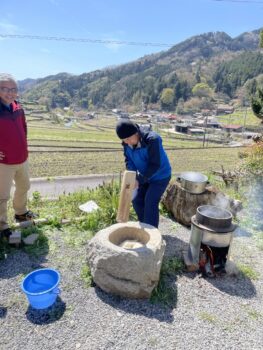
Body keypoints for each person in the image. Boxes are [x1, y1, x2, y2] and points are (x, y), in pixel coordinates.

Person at [0, 73, 36, 240]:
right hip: (4, 162)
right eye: (5, 89)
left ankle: (20, 213)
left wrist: (24, 148)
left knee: (24, 186)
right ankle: (2, 225)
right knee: (2, 196)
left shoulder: (18, 108)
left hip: (22, 158)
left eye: (13, 89)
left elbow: (24, 129)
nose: (10, 93)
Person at [116, 119, 171, 228]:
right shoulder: (127, 144)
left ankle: (152, 234)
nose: (126, 142)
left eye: (128, 138)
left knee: (150, 201)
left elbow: (154, 164)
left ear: (136, 133)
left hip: (160, 176)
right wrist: (132, 177)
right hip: (145, 177)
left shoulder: (152, 140)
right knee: (137, 200)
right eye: (124, 140)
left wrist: (139, 179)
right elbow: (129, 161)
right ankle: (145, 226)